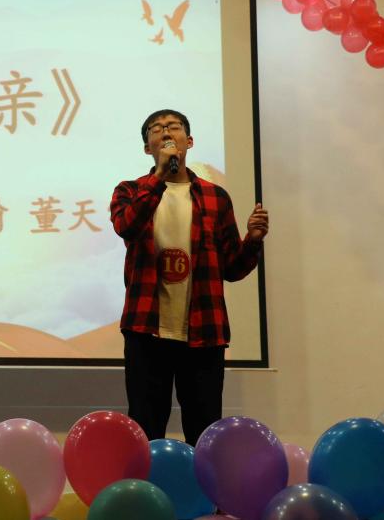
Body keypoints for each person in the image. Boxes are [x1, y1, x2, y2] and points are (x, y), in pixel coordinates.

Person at [109, 109, 268, 446]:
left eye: (174, 127)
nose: (166, 132)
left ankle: (204, 484)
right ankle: (150, 483)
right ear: (148, 148)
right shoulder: (129, 191)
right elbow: (127, 226)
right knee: (146, 426)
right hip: (146, 329)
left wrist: (252, 241)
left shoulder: (215, 197)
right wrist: (159, 178)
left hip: (203, 331)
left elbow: (232, 268)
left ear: (189, 141)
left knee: (204, 428)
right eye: (156, 129)